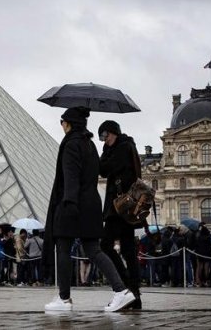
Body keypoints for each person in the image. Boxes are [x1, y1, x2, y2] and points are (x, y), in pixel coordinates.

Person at [43, 107, 135, 312]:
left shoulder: (70, 145)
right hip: (92, 203)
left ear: (68, 124)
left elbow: (71, 177)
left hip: (73, 203)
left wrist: (68, 203)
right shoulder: (89, 144)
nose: (61, 125)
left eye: (62, 121)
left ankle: (64, 298)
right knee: (94, 250)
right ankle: (121, 291)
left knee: (64, 248)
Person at [97, 120, 144, 308]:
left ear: (113, 132)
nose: (104, 139)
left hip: (119, 207)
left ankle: (126, 288)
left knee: (106, 245)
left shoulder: (122, 148)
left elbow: (104, 169)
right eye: (101, 136)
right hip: (126, 206)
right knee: (128, 250)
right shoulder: (127, 146)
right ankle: (135, 295)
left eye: (105, 135)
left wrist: (105, 153)